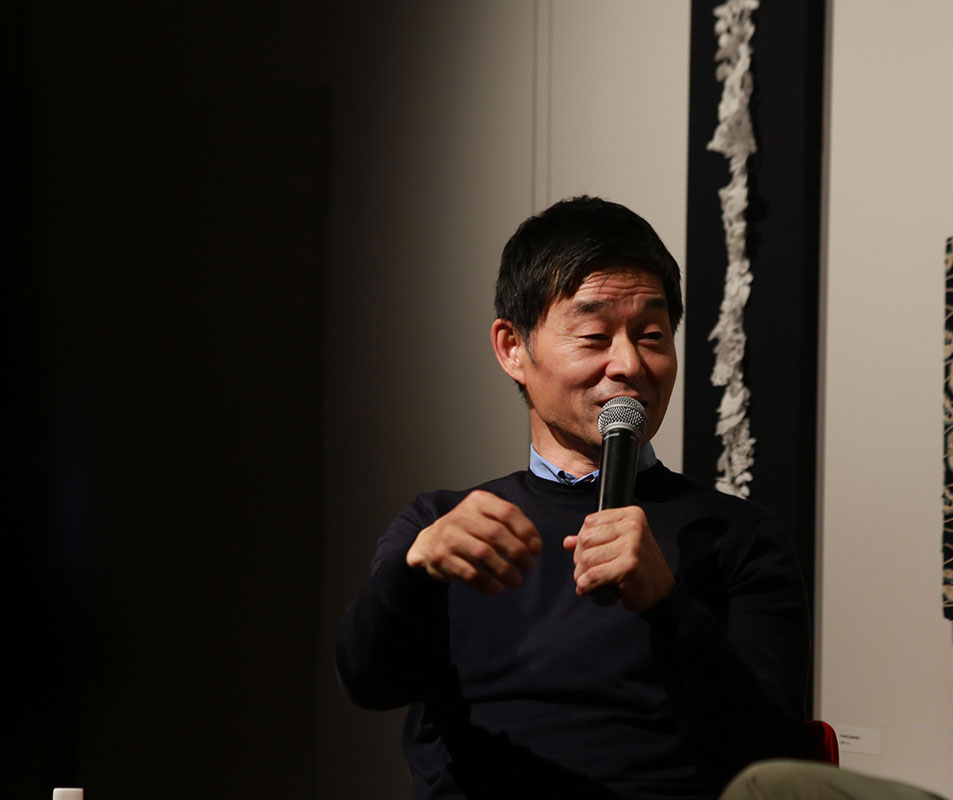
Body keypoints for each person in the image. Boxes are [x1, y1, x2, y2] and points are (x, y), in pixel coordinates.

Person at [336, 197, 812, 799]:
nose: (629, 364)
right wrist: (416, 572)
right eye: (593, 336)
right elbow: (367, 682)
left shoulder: (736, 536)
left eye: (652, 336)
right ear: (513, 348)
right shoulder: (442, 527)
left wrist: (667, 604)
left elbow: (775, 759)